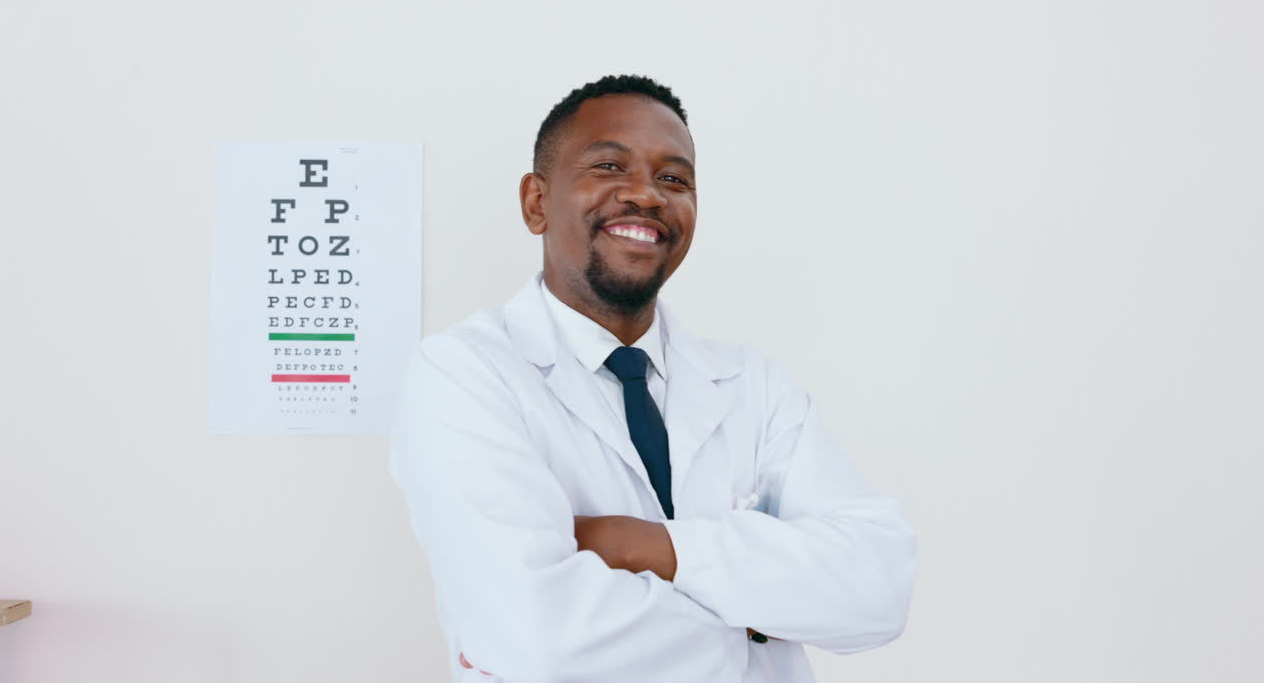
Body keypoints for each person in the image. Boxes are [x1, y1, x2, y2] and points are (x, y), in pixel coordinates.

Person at [388, 74, 917, 682]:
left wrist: (646, 546)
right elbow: (541, 640)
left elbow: (878, 589)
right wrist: (755, 627)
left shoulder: (755, 386)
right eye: (609, 166)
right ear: (536, 202)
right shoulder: (462, 375)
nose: (646, 194)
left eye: (674, 178)